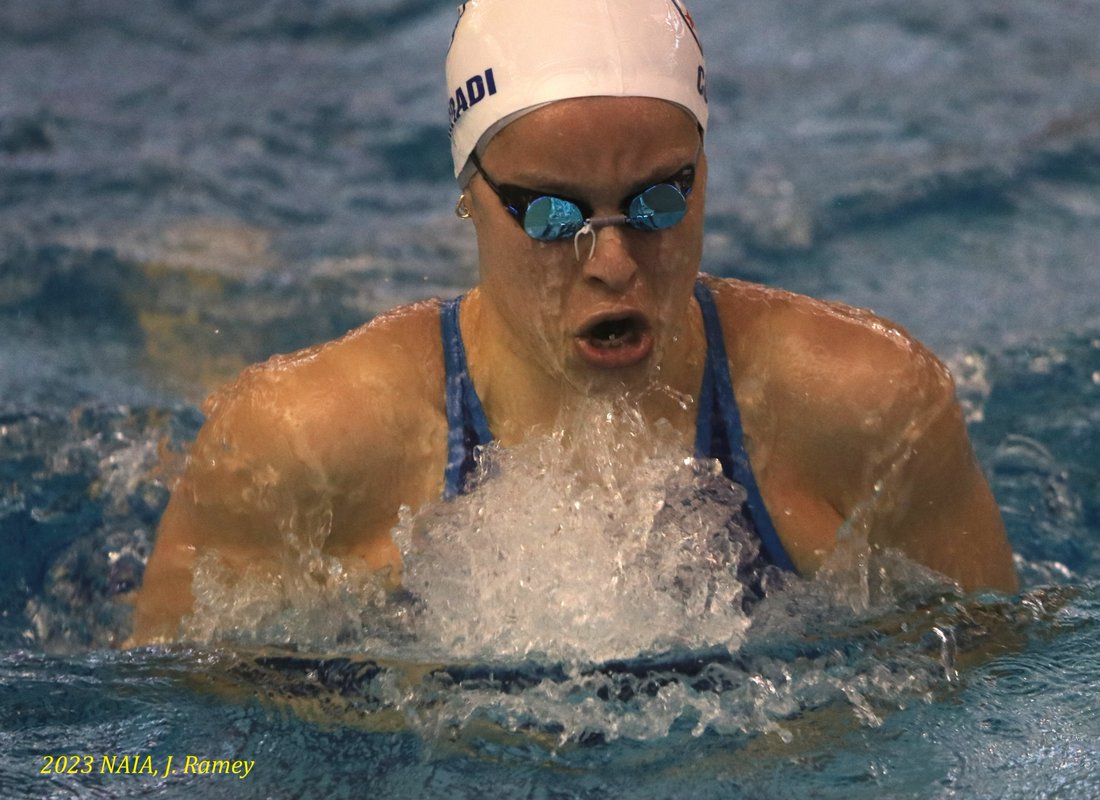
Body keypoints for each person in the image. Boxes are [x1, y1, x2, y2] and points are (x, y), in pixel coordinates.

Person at [130, 0, 1016, 645]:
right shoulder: (303, 440)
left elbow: (995, 686)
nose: (613, 263)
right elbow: (166, 743)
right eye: (553, 214)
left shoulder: (867, 408)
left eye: (660, 200)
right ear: (471, 199)